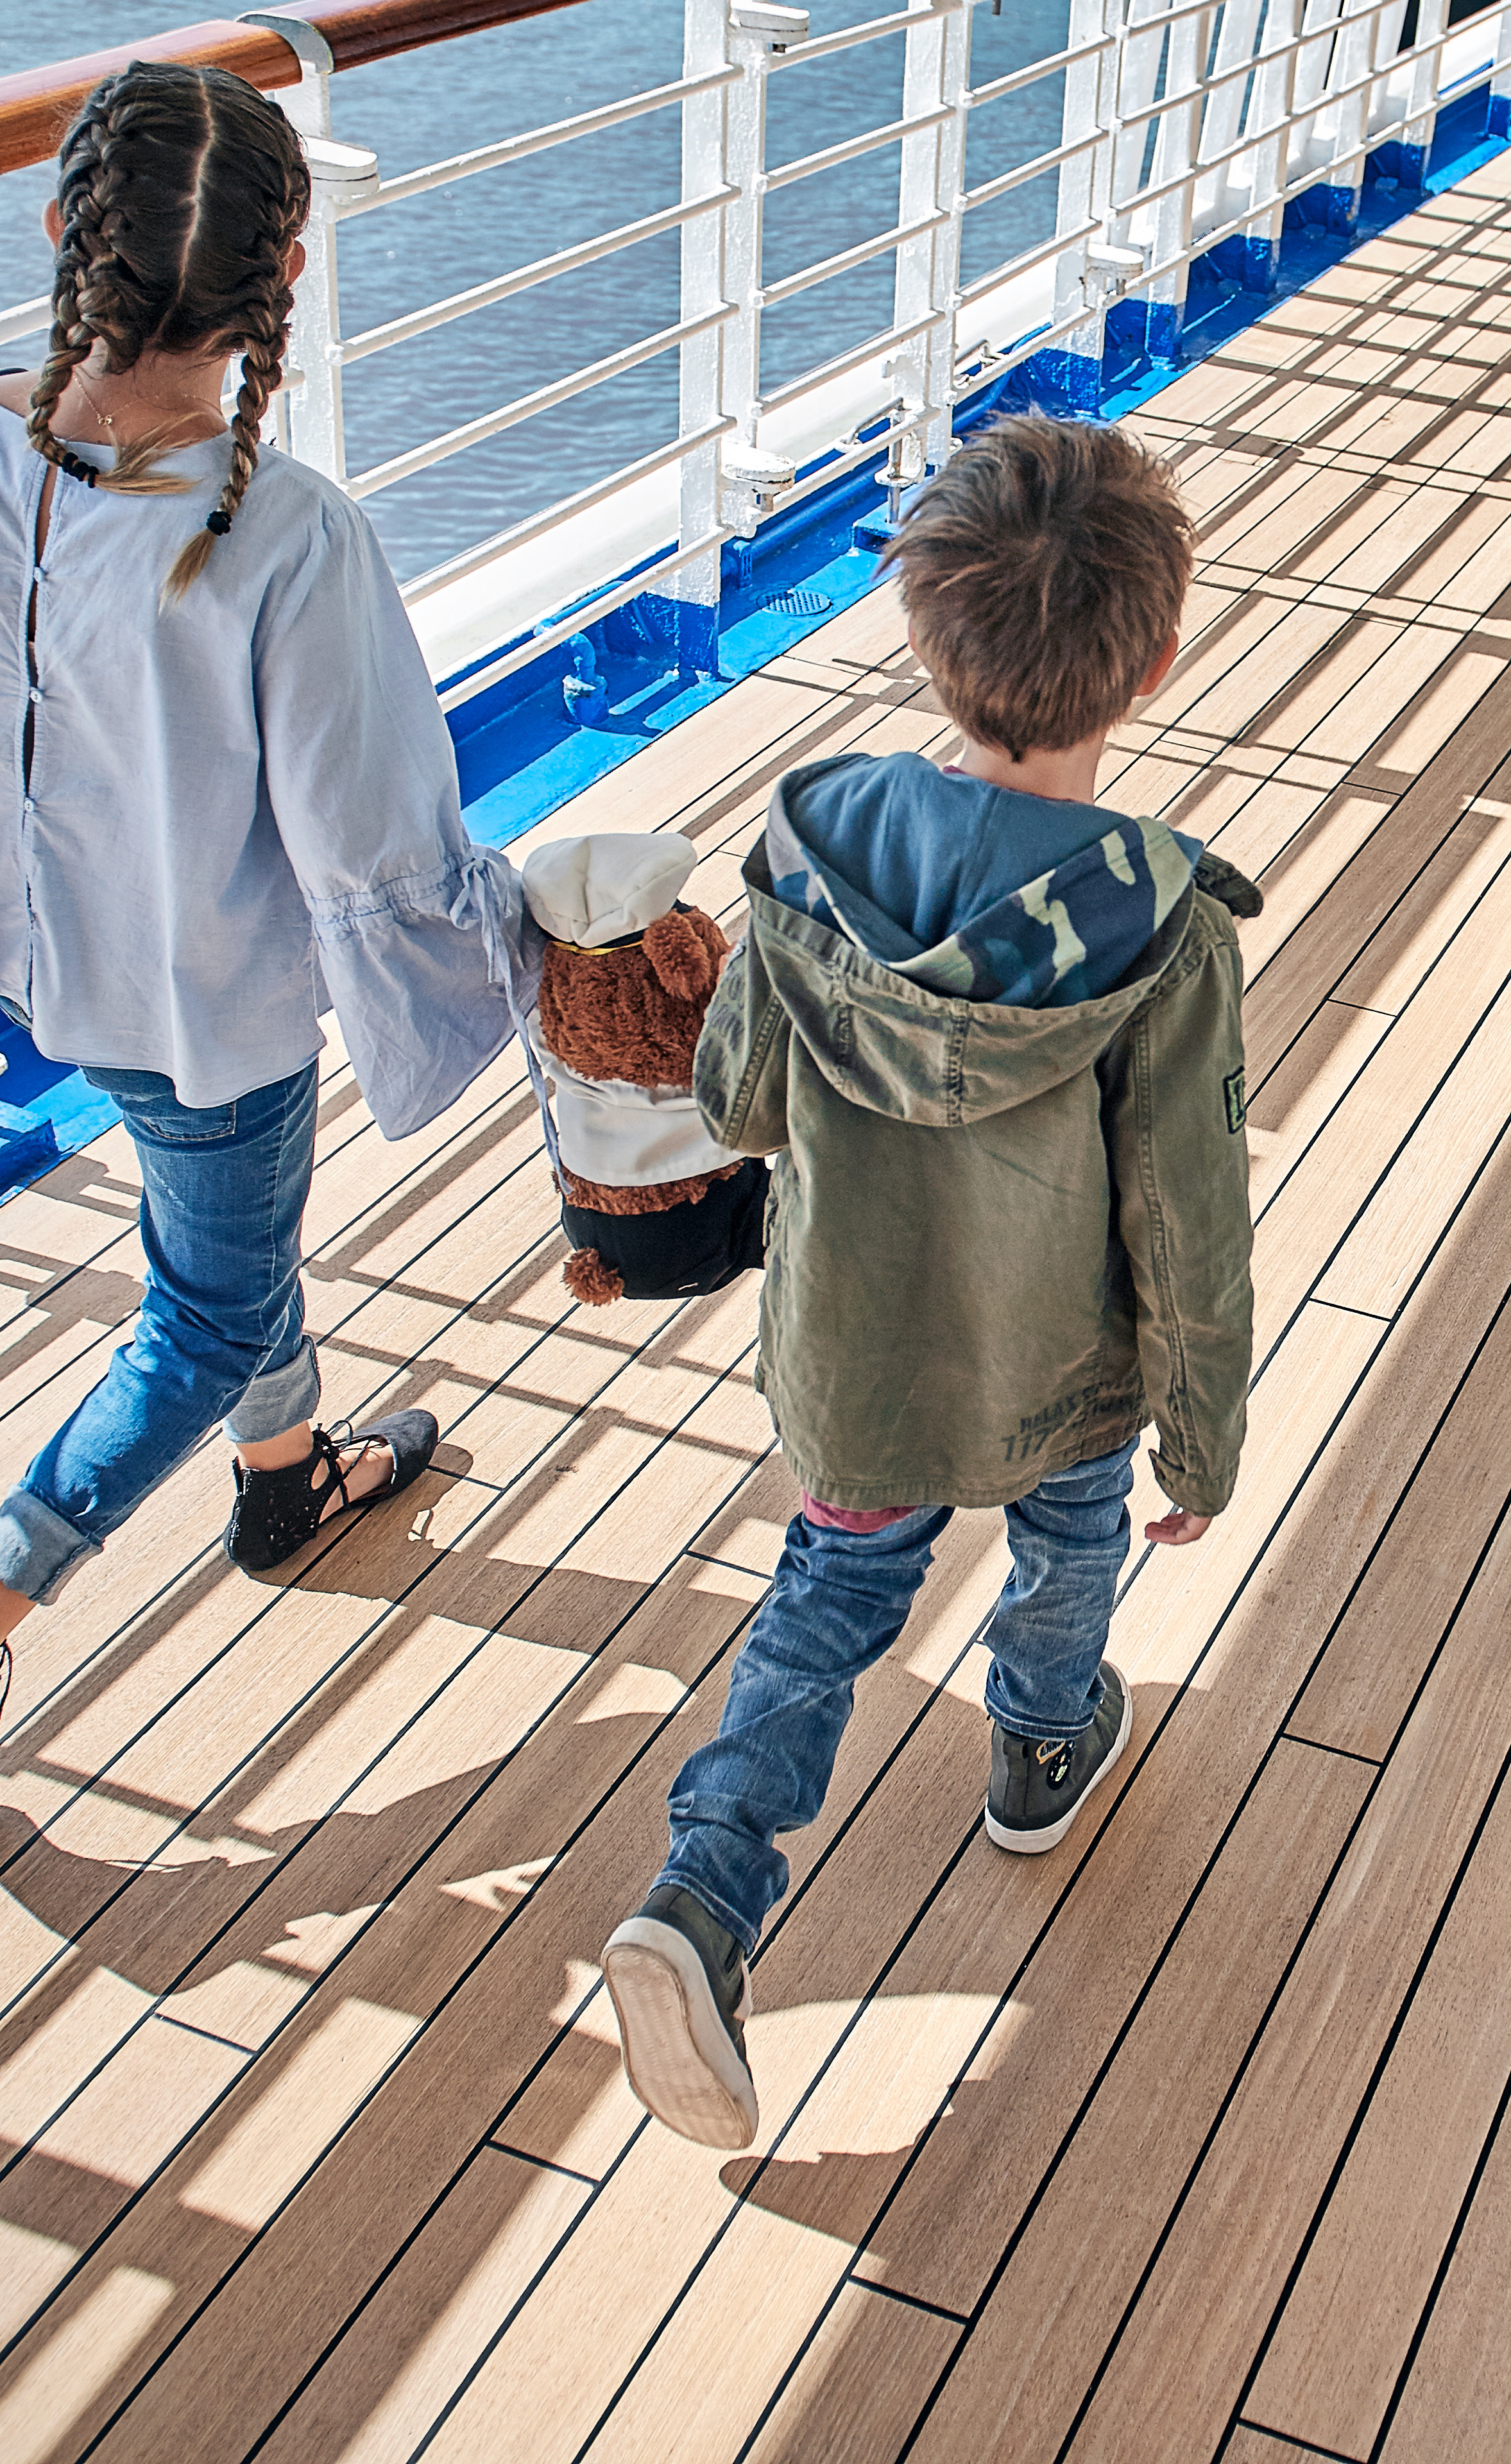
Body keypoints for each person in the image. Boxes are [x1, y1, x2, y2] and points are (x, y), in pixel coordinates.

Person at [0, 60, 539, 1836]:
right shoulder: (284, 538)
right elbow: (377, 861)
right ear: (282, 275)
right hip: (212, 1006)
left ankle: (289, 1481)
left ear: (60, 232)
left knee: (221, 1234)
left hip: (50, 983)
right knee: (208, 1307)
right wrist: (540, 948)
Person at [602, 415, 1258, 2152]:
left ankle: (704, 1892)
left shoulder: (812, 850)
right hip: (1063, 1374)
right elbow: (1185, 1215)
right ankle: (1040, 1750)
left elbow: (737, 1100)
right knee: (1067, 1541)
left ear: (924, 641)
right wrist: (1200, 1431)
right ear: (1156, 664)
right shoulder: (1163, 927)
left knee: (824, 1605)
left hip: (858, 1359)